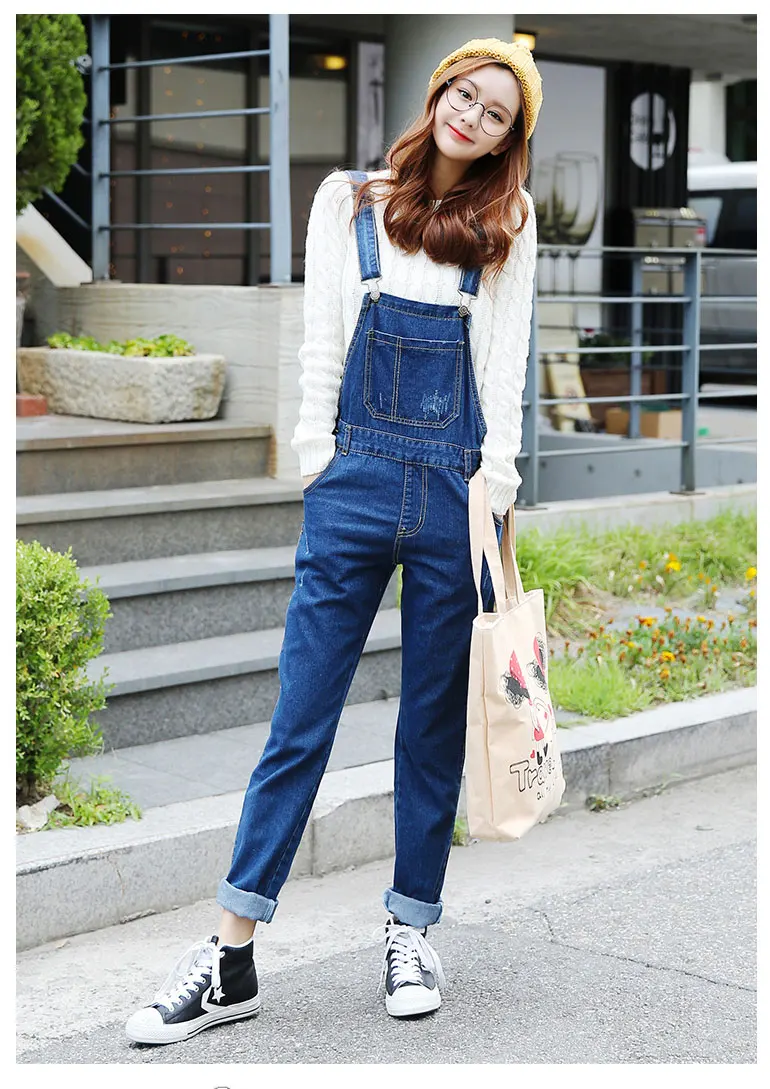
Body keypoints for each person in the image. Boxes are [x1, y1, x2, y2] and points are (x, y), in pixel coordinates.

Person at [125, 36, 542, 1046]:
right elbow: (321, 344)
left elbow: (503, 365)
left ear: (505, 141)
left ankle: (410, 928)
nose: (471, 118)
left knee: (429, 729)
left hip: (452, 494)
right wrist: (318, 465)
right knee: (299, 719)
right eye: (464, 96)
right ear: (438, 93)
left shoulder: (508, 222)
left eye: (494, 115)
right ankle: (229, 956)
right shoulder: (347, 202)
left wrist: (492, 491)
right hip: (351, 484)